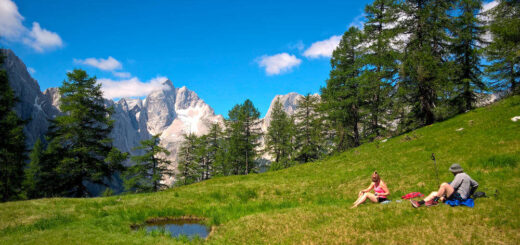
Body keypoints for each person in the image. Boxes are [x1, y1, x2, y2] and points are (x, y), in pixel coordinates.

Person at [411, 163, 478, 208]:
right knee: (434, 193)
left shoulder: (459, 175)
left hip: (459, 198)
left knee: (444, 184)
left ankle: (435, 201)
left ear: (455, 171)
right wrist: (470, 193)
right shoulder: (466, 175)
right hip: (461, 197)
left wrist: (443, 189)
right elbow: (476, 185)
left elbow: (452, 187)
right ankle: (419, 203)